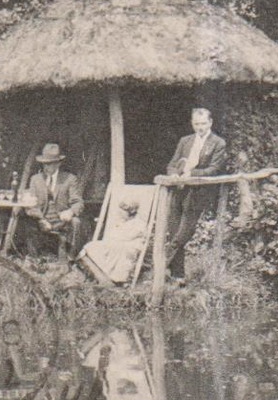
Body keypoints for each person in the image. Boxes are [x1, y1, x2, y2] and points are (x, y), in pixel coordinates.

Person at [158, 108, 228, 282]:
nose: (200, 127)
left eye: (203, 123)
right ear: (192, 123)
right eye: (196, 124)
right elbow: (172, 164)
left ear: (210, 123)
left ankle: (161, 265)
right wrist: (174, 174)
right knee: (174, 230)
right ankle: (178, 276)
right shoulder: (185, 141)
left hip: (199, 192)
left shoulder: (218, 143)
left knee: (184, 232)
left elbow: (213, 170)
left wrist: (190, 173)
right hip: (179, 190)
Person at [25, 143, 84, 262]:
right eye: (44, 163)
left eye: (50, 163)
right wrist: (41, 219)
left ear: (58, 163)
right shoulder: (35, 179)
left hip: (62, 220)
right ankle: (35, 258)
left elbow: (78, 202)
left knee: (76, 222)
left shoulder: (69, 179)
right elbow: (30, 205)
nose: (46, 167)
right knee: (27, 223)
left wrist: (71, 212)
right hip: (42, 219)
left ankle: (70, 258)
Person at [78, 197, 149, 285]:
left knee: (99, 247)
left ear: (130, 212)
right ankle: (100, 275)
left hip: (130, 246)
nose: (120, 213)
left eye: (123, 211)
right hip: (120, 244)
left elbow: (124, 237)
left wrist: (117, 233)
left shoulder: (138, 223)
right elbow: (112, 235)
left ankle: (110, 278)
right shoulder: (123, 222)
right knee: (92, 246)